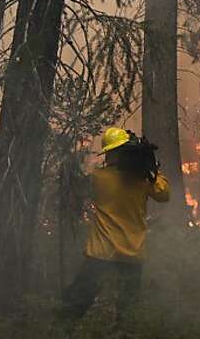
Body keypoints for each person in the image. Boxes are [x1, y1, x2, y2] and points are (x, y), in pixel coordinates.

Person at [61, 127, 170, 322]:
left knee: (75, 305)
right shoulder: (144, 180)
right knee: (127, 312)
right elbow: (164, 195)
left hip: (101, 253)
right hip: (132, 253)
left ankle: (60, 332)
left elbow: (75, 192)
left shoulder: (98, 178)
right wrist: (152, 168)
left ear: (113, 153)